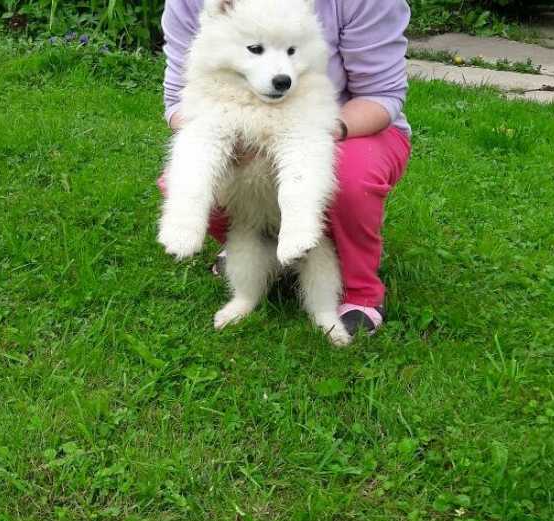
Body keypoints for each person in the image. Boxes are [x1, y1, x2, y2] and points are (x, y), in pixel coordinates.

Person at [159, 0, 412, 337]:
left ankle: (351, 294)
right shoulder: (211, 37)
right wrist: (186, 215)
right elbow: (192, 129)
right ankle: (247, 294)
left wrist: (298, 217)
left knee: (347, 180)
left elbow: (381, 95)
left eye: (291, 51)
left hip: (358, 124)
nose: (281, 72)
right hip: (251, 201)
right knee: (212, 191)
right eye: (255, 50)